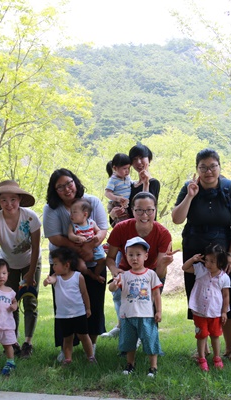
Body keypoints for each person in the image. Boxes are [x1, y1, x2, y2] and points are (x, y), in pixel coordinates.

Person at [172, 148, 231, 361]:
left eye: (213, 166)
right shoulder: (189, 187)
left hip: (222, 250)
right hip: (195, 248)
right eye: (203, 167)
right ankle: (202, 349)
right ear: (197, 169)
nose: (208, 171)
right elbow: (177, 219)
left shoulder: (229, 188)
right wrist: (190, 196)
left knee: (226, 295)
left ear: (219, 167)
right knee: (199, 295)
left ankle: (229, 348)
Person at [43, 169, 109, 361]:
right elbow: (54, 237)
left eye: (69, 183)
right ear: (54, 190)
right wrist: (79, 249)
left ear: (76, 182)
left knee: (94, 302)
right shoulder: (51, 208)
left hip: (93, 257)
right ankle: (67, 347)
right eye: (60, 187)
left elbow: (102, 229)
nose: (66, 189)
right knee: (65, 304)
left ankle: (92, 345)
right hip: (64, 264)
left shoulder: (92, 201)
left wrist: (90, 247)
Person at [104, 144, 161, 338]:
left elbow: (149, 210)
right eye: (134, 159)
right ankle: (122, 325)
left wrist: (145, 183)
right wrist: (112, 214)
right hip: (124, 242)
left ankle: (143, 330)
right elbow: (120, 214)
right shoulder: (127, 183)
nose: (138, 162)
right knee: (120, 285)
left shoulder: (153, 183)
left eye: (141, 158)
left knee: (142, 287)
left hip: (143, 244)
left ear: (149, 159)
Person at [104, 192, 175, 340]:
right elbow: (110, 258)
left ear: (155, 210)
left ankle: (146, 338)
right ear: (132, 210)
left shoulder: (163, 233)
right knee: (123, 300)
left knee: (148, 305)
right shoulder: (121, 228)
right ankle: (123, 328)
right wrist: (115, 270)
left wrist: (163, 264)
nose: (145, 215)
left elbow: (160, 274)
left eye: (149, 210)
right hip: (127, 271)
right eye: (139, 210)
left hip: (152, 272)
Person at [0, 180, 41, 359]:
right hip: (8, 265)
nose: (9, 204)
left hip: (31, 261)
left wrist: (31, 273)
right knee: (10, 303)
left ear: (20, 199)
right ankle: (12, 341)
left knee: (30, 301)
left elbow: (36, 247)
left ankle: (28, 342)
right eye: (4, 200)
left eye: (13, 199)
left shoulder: (30, 217)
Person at [109, 237, 163, 377]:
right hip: (127, 316)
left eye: (138, 254)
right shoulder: (124, 275)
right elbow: (111, 288)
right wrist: (115, 283)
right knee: (129, 342)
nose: (134, 258)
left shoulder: (151, 274)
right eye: (130, 255)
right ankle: (130, 365)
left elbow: (156, 294)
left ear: (146, 256)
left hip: (146, 316)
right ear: (125, 256)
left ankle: (153, 367)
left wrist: (158, 311)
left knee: (150, 340)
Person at [181, 244, 231, 372]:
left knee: (215, 335)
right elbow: (185, 268)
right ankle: (202, 359)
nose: (208, 264)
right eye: (207, 260)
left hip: (215, 312)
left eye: (212, 261)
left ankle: (217, 358)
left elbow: (226, 296)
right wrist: (193, 259)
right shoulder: (200, 269)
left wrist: (224, 312)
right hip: (199, 311)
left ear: (221, 262)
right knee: (201, 335)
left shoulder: (224, 277)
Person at [43, 247, 95, 365]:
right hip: (63, 315)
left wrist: (88, 308)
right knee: (67, 338)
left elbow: (84, 293)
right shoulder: (56, 277)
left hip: (79, 313)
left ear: (66, 265)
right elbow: (50, 280)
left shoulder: (78, 276)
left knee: (84, 336)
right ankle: (68, 359)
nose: (53, 267)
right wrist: (47, 281)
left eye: (56, 264)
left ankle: (91, 357)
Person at [68, 198, 107, 273]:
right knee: (81, 266)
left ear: (85, 214)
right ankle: (89, 274)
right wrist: (77, 237)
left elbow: (99, 231)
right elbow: (70, 235)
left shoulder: (92, 223)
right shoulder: (73, 225)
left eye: (74, 212)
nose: (71, 215)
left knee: (103, 260)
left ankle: (96, 275)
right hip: (79, 250)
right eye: (71, 212)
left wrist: (97, 236)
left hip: (94, 248)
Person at [105, 153, 132, 226]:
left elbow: (130, 184)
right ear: (115, 168)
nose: (127, 171)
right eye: (124, 168)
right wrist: (117, 198)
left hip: (125, 203)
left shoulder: (127, 177)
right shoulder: (113, 180)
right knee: (121, 221)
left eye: (129, 168)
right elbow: (107, 193)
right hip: (116, 203)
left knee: (127, 220)